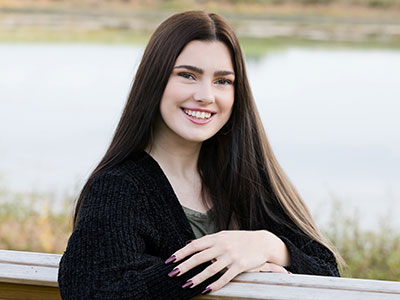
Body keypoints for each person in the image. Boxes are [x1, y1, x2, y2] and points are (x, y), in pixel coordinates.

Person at [58, 10, 341, 300]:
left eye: (223, 81)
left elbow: (328, 274)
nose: (206, 95)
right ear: (155, 81)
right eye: (187, 75)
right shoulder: (118, 188)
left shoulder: (245, 176)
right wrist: (224, 263)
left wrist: (266, 246)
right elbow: (92, 292)